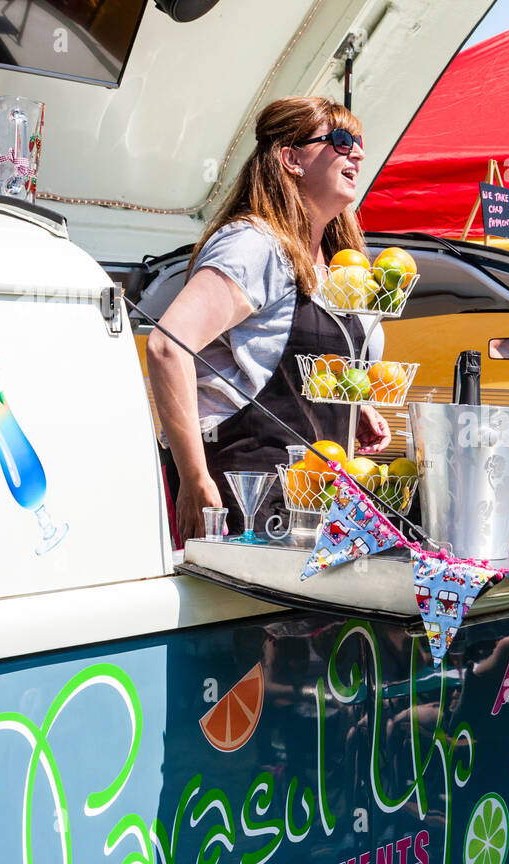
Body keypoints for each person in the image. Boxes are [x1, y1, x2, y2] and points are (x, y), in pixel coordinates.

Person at [147, 96, 391, 543]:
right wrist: (195, 478)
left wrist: (351, 404)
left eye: (358, 142)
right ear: (291, 158)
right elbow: (167, 346)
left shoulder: (340, 264)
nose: (357, 152)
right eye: (340, 140)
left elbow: (278, 357)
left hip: (316, 503)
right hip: (247, 498)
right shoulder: (254, 245)